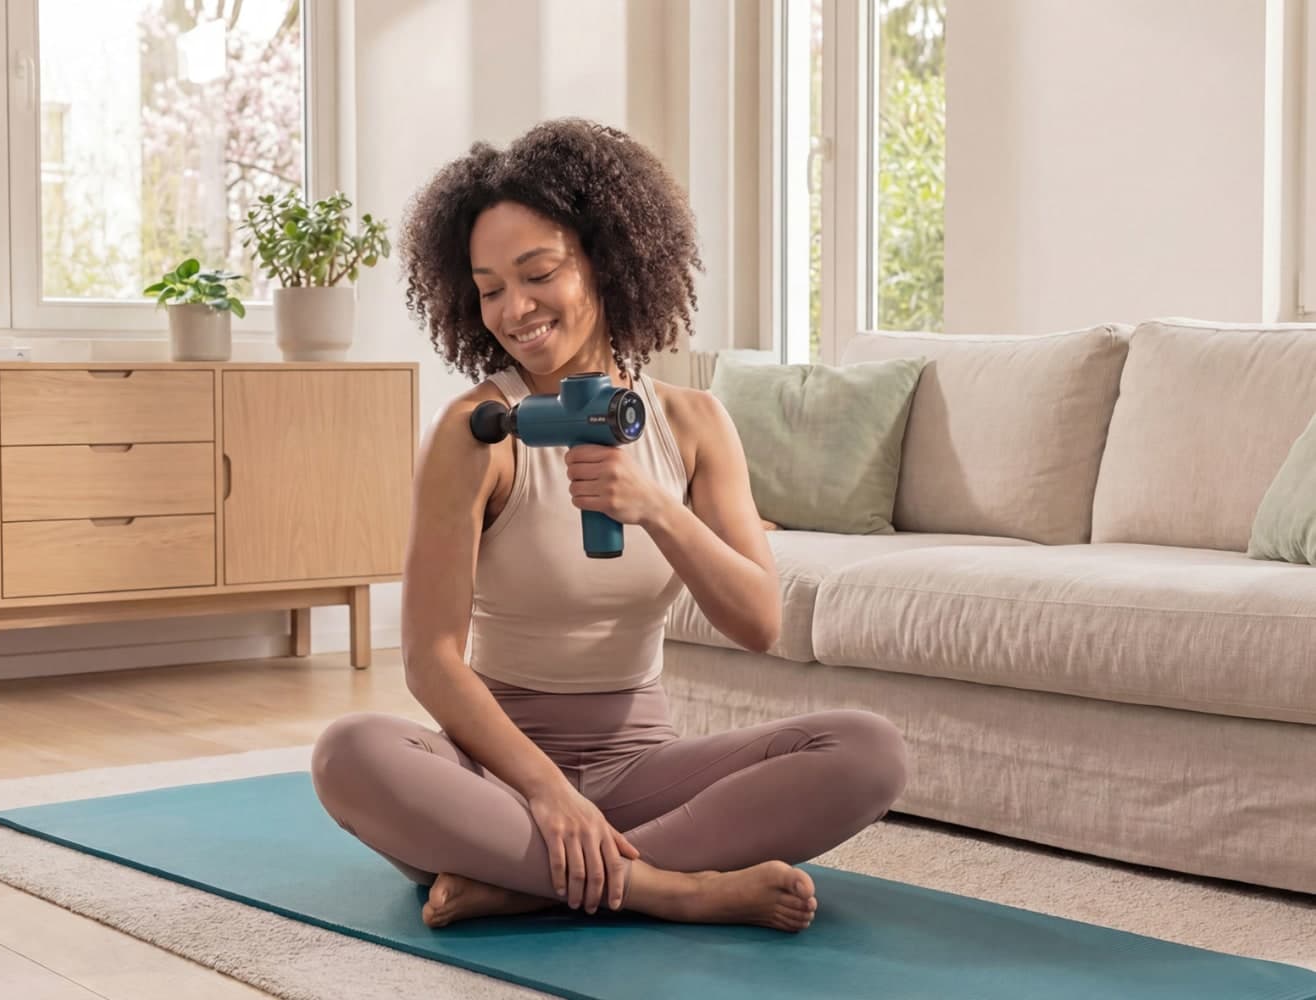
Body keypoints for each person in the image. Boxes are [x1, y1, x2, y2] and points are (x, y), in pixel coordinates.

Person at [311, 118, 908, 933]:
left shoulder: (695, 425)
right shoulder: (478, 430)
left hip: (642, 765)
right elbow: (430, 661)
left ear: (606, 258)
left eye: (539, 273)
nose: (515, 309)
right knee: (351, 754)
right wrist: (548, 794)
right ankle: (667, 888)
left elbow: (759, 621)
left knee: (869, 752)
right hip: (497, 772)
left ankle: (527, 884)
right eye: (490, 289)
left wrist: (656, 506)